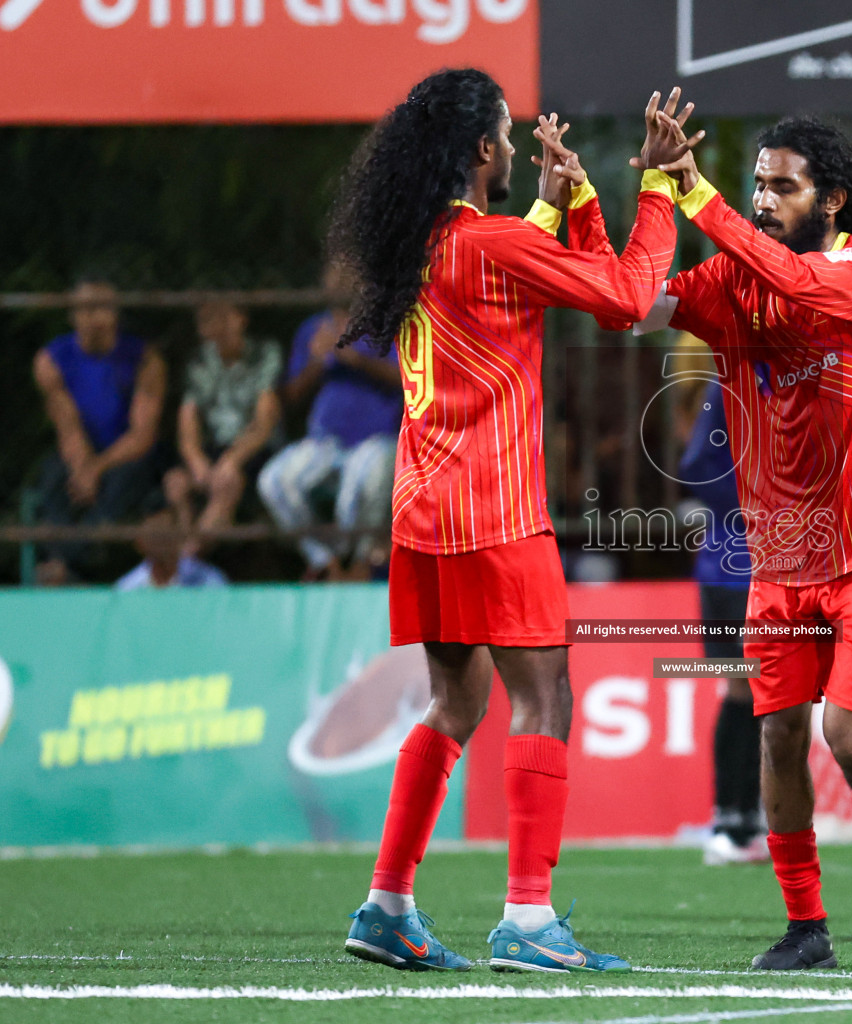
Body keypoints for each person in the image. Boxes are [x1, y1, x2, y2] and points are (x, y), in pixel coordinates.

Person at [328, 69, 686, 974]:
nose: (516, 139)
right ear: (484, 150)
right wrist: (654, 184)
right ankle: (529, 919)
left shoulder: (424, 245)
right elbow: (628, 297)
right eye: (507, 131)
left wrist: (556, 207)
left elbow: (502, 283)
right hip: (495, 507)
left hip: (421, 510)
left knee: (457, 701)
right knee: (544, 698)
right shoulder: (488, 243)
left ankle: (387, 902)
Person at [629, 114, 852, 969]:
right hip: (778, 560)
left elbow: (799, 284)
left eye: (784, 187)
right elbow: (626, 302)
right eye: (759, 187)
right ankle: (806, 927)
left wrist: (703, 196)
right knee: (777, 735)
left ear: (833, 200)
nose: (765, 201)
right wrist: (641, 194)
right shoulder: (730, 284)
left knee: (849, 738)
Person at [258, 262, 401, 581]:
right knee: (274, 481)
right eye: (330, 275)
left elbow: (410, 381)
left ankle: (361, 562)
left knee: (359, 485)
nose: (335, 282)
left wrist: (357, 360)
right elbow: (291, 397)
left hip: (377, 439)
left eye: (344, 275)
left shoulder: (389, 321)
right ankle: (325, 562)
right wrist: (315, 362)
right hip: (325, 442)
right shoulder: (314, 329)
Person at [678, 374, 766, 866]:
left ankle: (744, 816)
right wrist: (750, 507)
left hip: (759, 566)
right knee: (745, 691)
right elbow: (694, 464)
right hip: (735, 569)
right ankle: (732, 820)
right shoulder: (732, 384)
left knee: (759, 693)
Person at [33, 278, 167, 585]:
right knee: (54, 476)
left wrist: (97, 467)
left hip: (129, 452)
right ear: (72, 314)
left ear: (116, 313)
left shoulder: (145, 359)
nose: (94, 317)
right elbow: (68, 429)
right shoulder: (51, 359)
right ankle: (69, 562)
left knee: (128, 476)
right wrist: (83, 467)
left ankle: (68, 564)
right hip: (83, 450)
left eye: (102, 308)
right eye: (86, 309)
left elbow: (142, 435)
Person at [164, 300, 282, 550]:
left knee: (227, 483)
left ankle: (187, 563)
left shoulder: (264, 353)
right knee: (176, 482)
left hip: (252, 450)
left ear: (241, 318)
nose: (213, 328)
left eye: (220, 318)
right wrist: (197, 462)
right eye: (206, 321)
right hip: (213, 446)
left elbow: (264, 421)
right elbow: (187, 421)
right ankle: (188, 551)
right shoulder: (198, 361)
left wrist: (232, 460)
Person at [115, 496, 228, 591]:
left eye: (167, 532)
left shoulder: (209, 581)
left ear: (179, 536)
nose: (162, 541)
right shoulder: (127, 589)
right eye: (155, 534)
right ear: (139, 542)